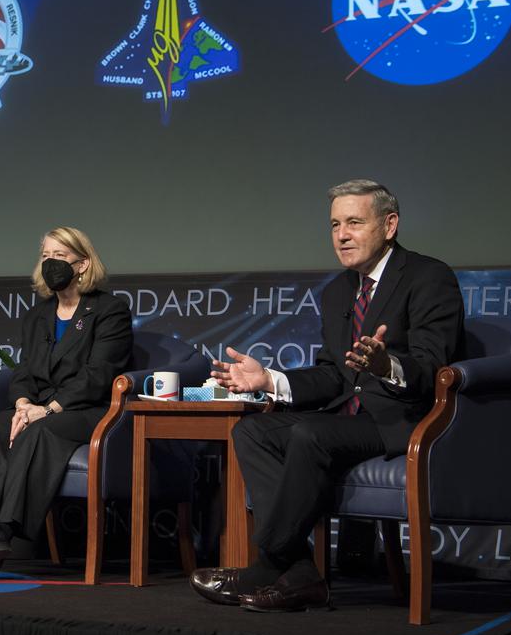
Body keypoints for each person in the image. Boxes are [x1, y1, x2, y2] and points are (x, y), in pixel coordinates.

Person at [191, 180, 464, 611]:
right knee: (253, 431)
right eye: (335, 224)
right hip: (349, 418)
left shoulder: (429, 277)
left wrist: (385, 365)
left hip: (402, 419)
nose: (341, 235)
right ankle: (301, 576)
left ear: (390, 224)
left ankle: (267, 564)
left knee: (310, 434)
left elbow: (433, 368)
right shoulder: (339, 290)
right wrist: (270, 382)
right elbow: (332, 377)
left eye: (355, 222)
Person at [0, 226, 132, 577]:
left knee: (39, 433)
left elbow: (98, 375)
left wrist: (47, 409)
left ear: (83, 264)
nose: (50, 263)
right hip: (40, 406)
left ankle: (4, 533)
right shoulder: (38, 315)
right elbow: (24, 370)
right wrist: (24, 403)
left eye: (59, 256)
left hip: (88, 411)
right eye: (45, 256)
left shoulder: (110, 311)